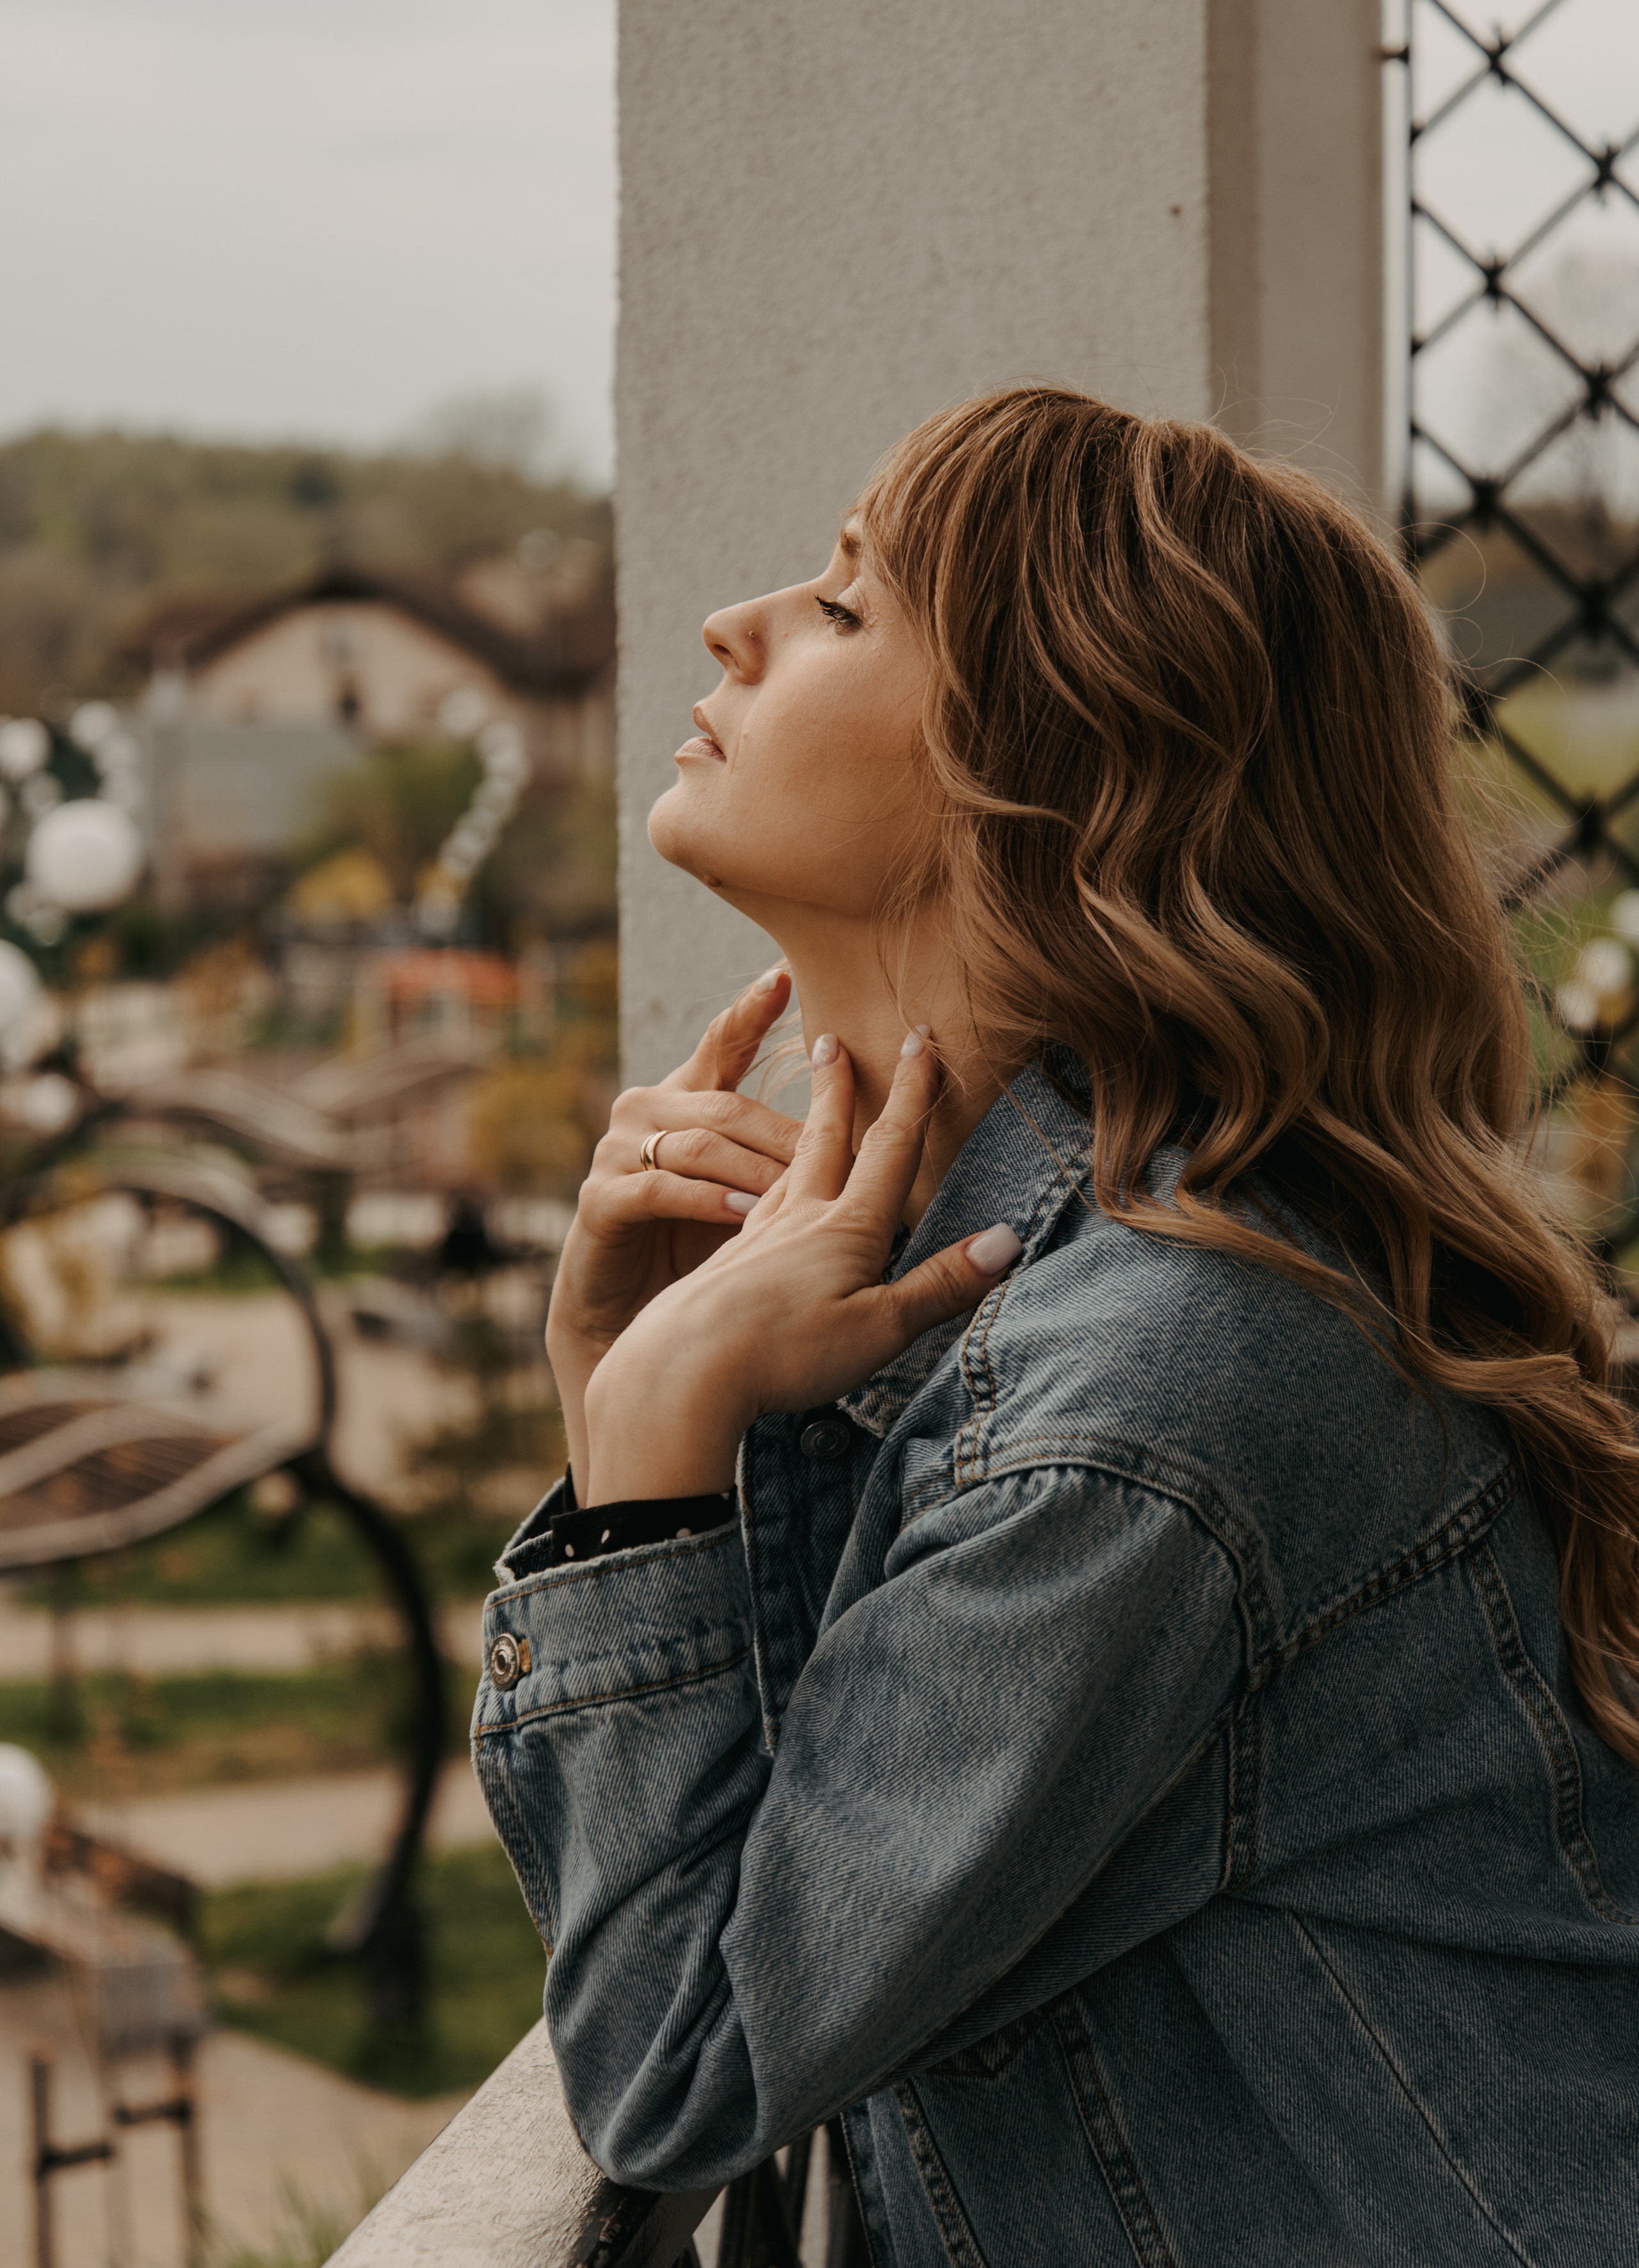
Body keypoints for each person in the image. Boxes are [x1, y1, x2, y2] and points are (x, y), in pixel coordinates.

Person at [473, 390, 1639, 2265]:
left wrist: (646, 1461)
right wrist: (626, 1390)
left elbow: (688, 2059)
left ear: (1058, 773)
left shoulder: (1146, 1393)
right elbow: (793, 1853)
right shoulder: (1060, 1296)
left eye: (846, 606)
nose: (735, 625)